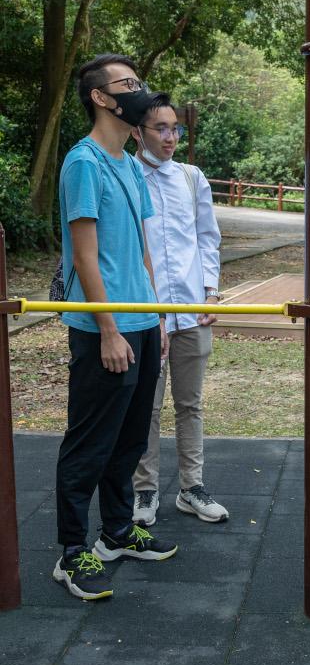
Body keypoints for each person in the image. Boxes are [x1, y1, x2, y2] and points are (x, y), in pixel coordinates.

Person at [52, 54, 178, 602]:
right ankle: (71, 552)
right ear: (101, 98)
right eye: (127, 85)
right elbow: (85, 257)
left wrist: (156, 314)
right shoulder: (83, 163)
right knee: (90, 442)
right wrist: (108, 329)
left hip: (141, 320)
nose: (138, 92)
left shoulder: (128, 161)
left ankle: (118, 532)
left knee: (129, 440)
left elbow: (141, 250)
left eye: (138, 82)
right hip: (105, 326)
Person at [130, 98, 229, 525]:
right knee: (145, 406)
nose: (171, 138)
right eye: (161, 129)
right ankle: (145, 490)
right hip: (145, 311)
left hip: (190, 307)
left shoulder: (191, 178)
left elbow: (208, 237)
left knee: (190, 403)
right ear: (138, 132)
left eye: (175, 129)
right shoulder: (125, 175)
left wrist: (210, 292)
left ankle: (192, 487)